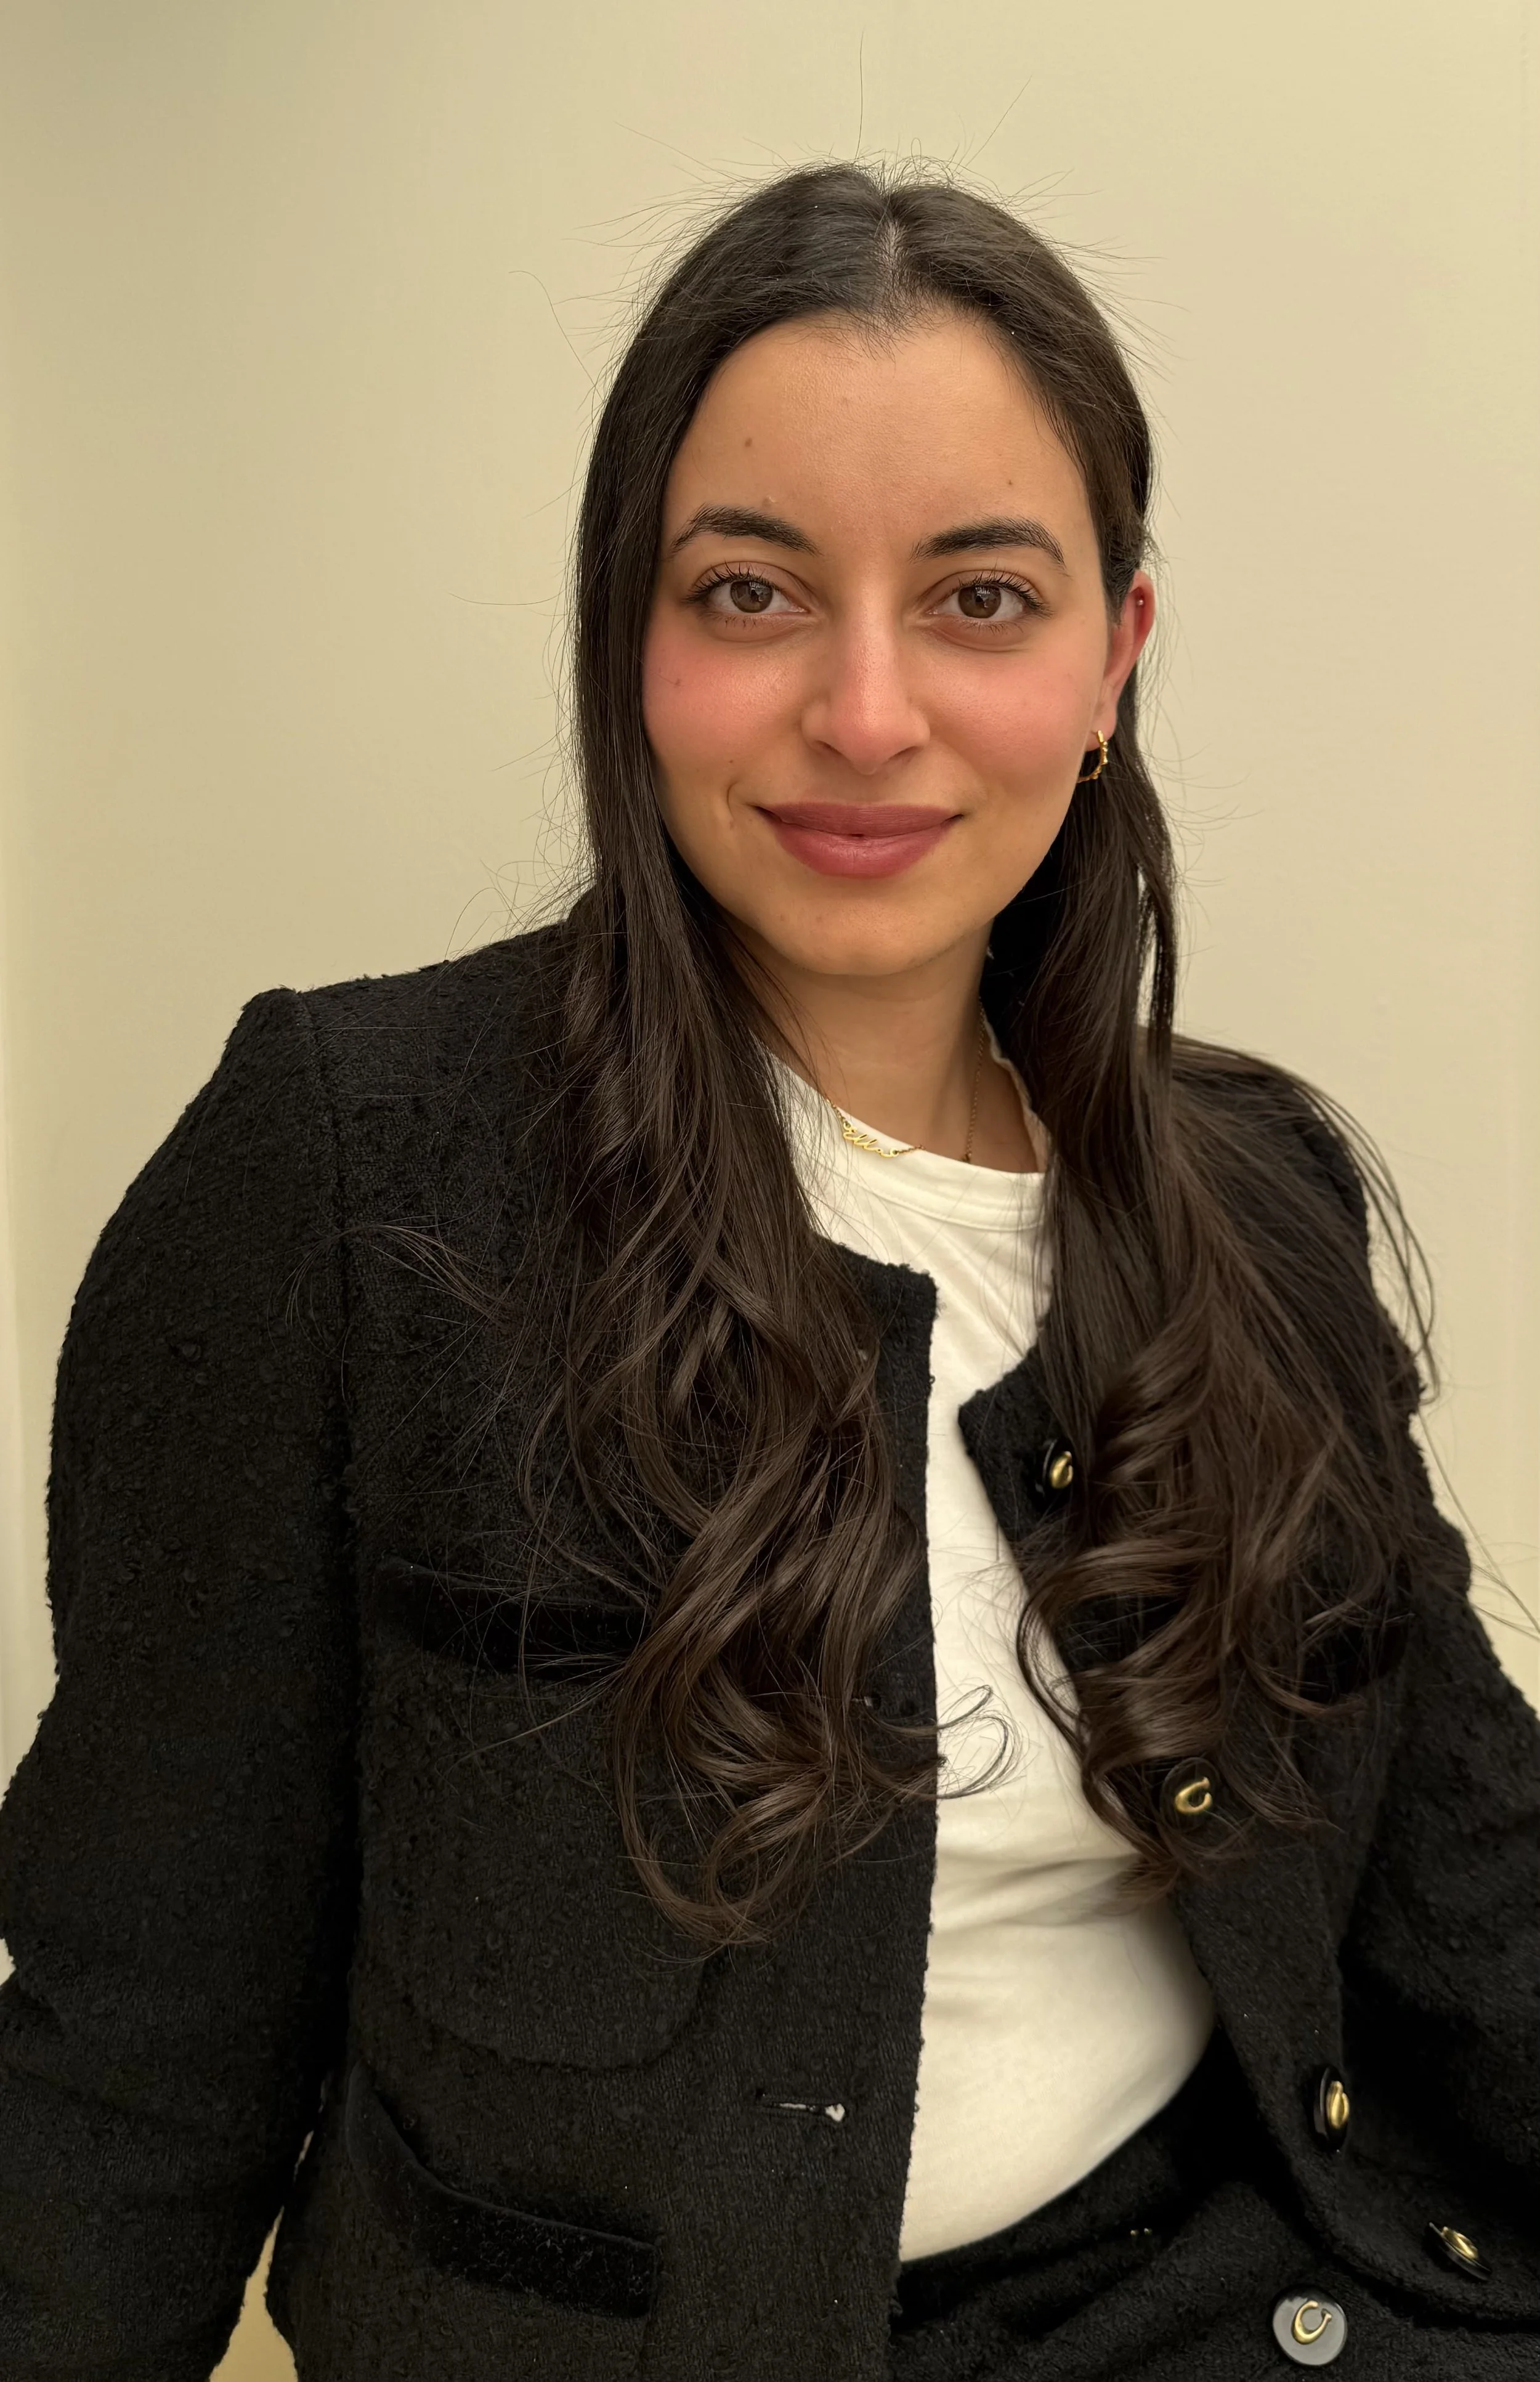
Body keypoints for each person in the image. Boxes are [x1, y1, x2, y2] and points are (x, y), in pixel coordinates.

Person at [0, 161, 1534, 2382]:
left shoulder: (1253, 1200)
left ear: (1113, 659)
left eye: (982, 600)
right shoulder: (345, 1170)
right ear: (630, 643)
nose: (868, 710)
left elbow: (1467, 1898)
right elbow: (128, 2030)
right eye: (752, 592)